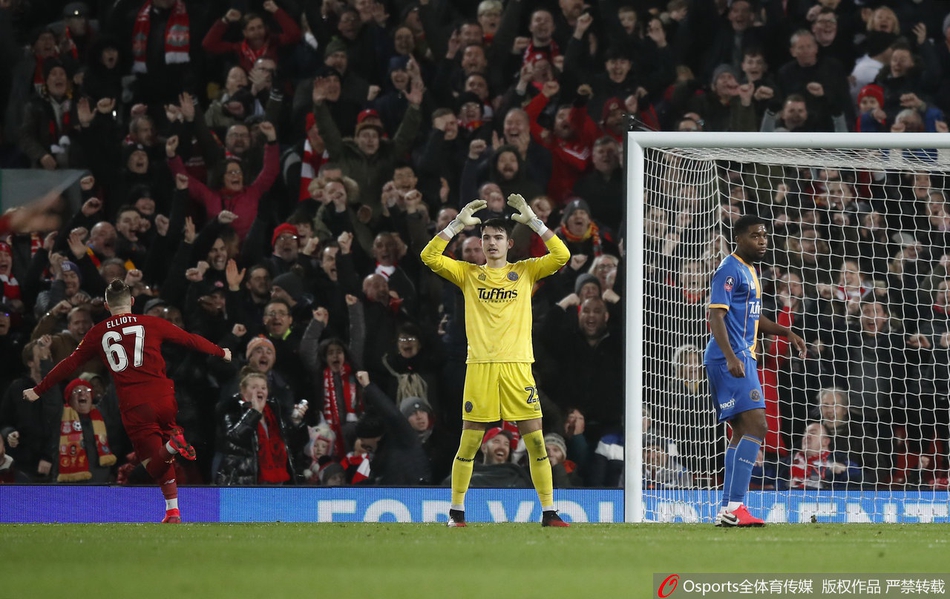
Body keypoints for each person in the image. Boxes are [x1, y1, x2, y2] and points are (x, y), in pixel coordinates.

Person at [24, 280, 232, 523]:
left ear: (105, 305)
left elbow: (70, 363)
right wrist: (221, 352)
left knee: (151, 465)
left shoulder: (98, 332)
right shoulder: (152, 323)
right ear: (132, 302)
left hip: (135, 405)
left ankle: (174, 446)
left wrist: (39, 389)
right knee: (163, 459)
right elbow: (189, 339)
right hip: (165, 398)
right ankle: (173, 511)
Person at [420, 193, 570, 527]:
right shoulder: (469, 275)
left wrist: (534, 222)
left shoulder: (526, 271)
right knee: (470, 441)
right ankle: (456, 513)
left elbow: (562, 254)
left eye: (497, 237)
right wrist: (455, 226)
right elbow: (429, 256)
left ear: (509, 243)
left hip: (518, 367)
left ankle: (548, 512)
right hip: (481, 368)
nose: (490, 243)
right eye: (485, 238)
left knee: (535, 440)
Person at [705, 215, 806, 527]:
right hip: (731, 359)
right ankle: (736, 506)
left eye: (764, 235)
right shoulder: (729, 269)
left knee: (741, 431)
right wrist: (731, 356)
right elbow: (715, 317)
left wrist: (785, 332)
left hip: (742, 357)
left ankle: (728, 509)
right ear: (739, 238)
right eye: (754, 236)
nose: (762, 241)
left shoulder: (751, 271)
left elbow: (753, 318)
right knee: (758, 426)